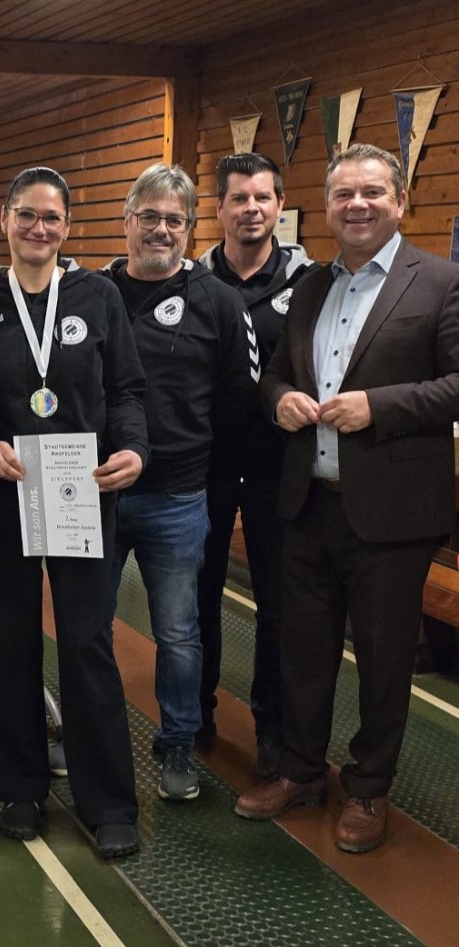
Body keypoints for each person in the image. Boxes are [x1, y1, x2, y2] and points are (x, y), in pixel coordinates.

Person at [234, 143, 459, 853]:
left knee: (385, 659)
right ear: (327, 206)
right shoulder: (310, 286)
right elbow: (274, 372)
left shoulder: (441, 282)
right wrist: (281, 401)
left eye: (372, 192)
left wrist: (378, 407)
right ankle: (302, 769)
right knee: (303, 651)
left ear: (400, 201)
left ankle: (368, 787)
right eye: (343, 194)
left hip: (392, 513)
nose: (357, 205)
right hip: (307, 502)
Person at [0, 167, 149, 858]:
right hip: (2, 495)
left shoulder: (98, 297)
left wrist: (132, 448)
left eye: (51, 217)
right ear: (4, 220)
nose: (38, 228)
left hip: (82, 492)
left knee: (85, 639)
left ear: (68, 227)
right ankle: (20, 785)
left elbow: (126, 389)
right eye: (26, 214)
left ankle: (109, 801)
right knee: (5, 638)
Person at [100, 162, 255, 802]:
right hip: (98, 494)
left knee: (179, 633)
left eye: (174, 220)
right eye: (149, 217)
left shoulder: (218, 301)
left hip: (177, 497)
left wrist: (204, 473)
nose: (160, 230)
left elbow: (239, 399)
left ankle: (177, 744)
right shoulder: (90, 293)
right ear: (127, 220)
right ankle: (91, 733)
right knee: (87, 626)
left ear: (190, 228)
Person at [195, 153, 316, 775]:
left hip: (279, 468)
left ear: (279, 205)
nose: (251, 209)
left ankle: (271, 724)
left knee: (278, 602)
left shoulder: (310, 283)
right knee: (198, 596)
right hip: (205, 466)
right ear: (218, 207)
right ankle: (195, 711)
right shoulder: (191, 283)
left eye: (262, 198)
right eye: (238, 198)